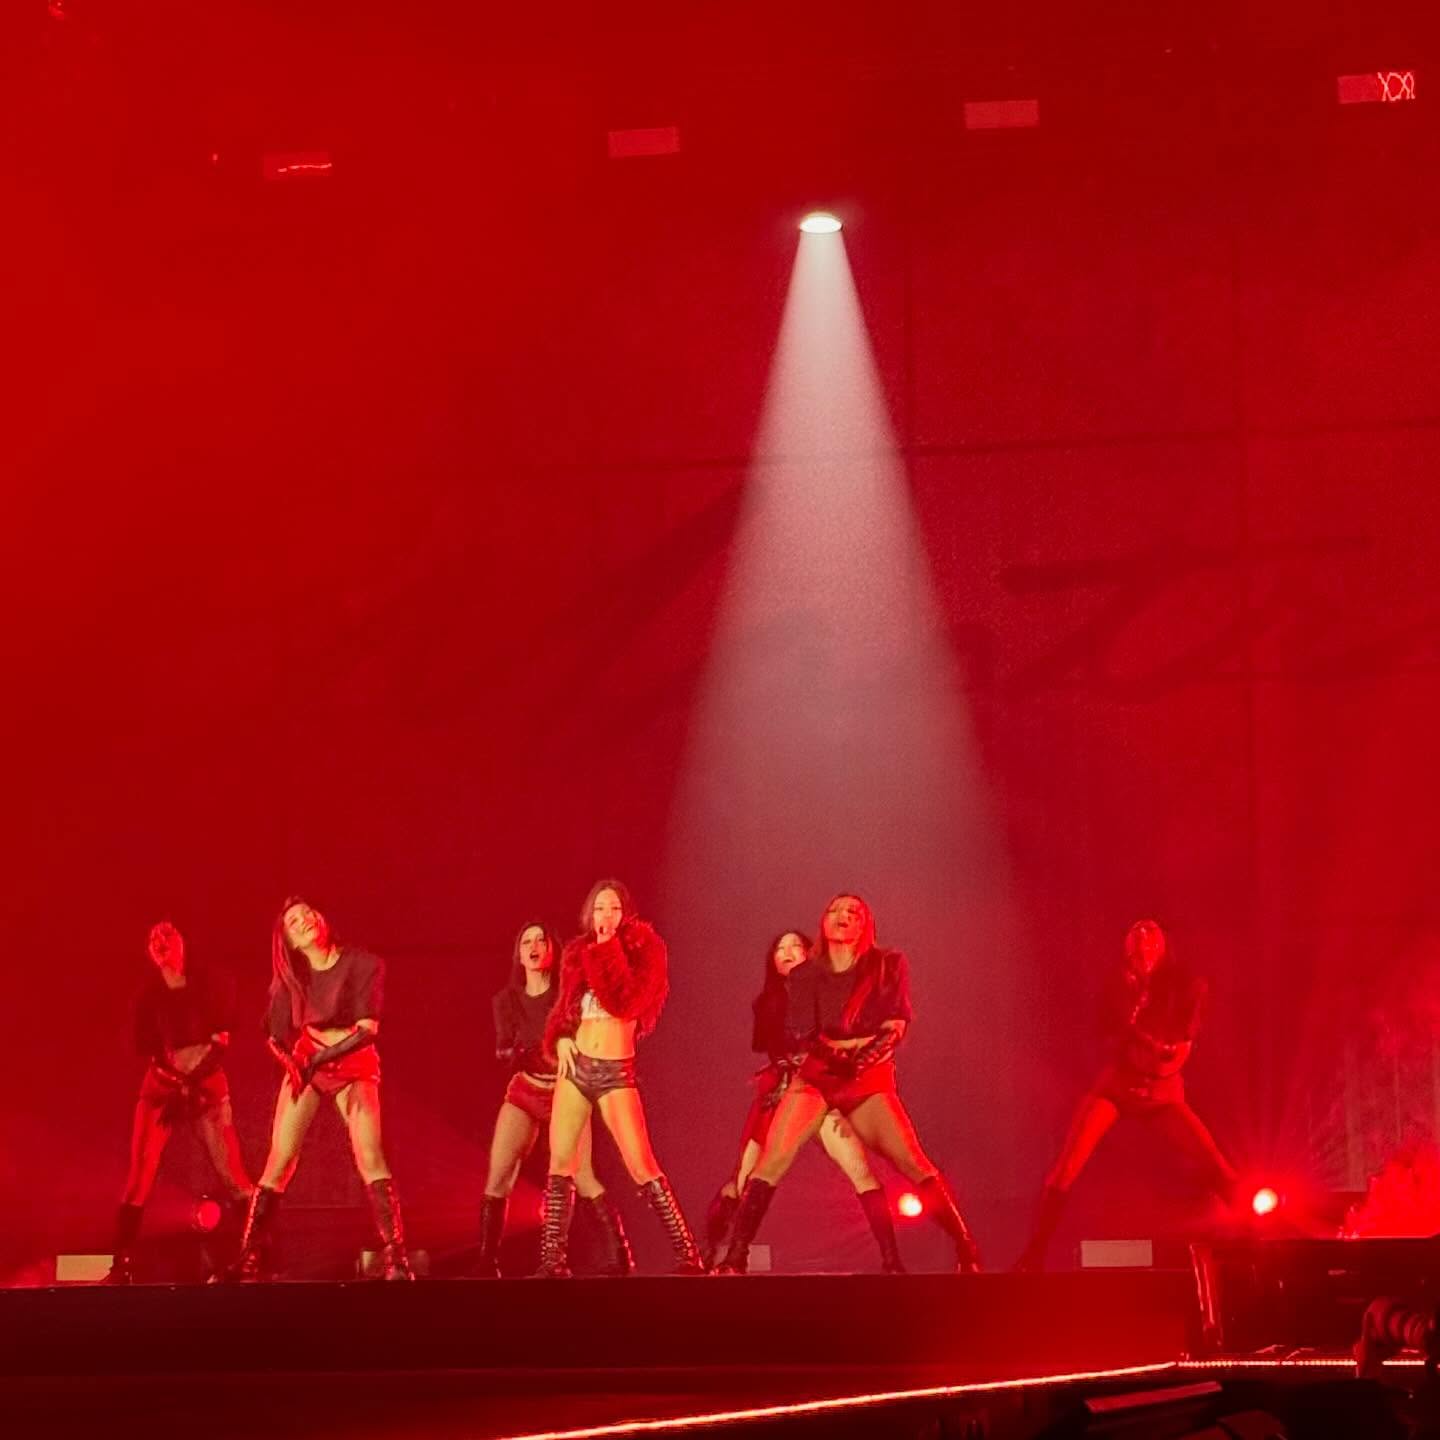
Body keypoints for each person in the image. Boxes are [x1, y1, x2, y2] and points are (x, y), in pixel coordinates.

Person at [714, 894, 981, 1274]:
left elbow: (895, 1026)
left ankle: (964, 1245)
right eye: (834, 910)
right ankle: (735, 1256)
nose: (842, 915)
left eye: (852, 911)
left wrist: (859, 1060)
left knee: (910, 1160)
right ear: (823, 923)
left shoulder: (887, 965)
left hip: (868, 1077)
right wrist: (835, 1058)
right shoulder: (806, 974)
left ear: (864, 924)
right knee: (771, 1160)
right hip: (819, 1075)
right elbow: (803, 1032)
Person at [1014, 918, 1237, 1272]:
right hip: (1118, 1085)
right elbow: (1103, 1037)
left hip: (1162, 1091)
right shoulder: (1116, 987)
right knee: (1066, 1167)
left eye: (1151, 940)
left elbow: (1182, 1044)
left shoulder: (1183, 987)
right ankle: (1034, 1253)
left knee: (1213, 1161)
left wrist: (1156, 1066)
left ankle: (1259, 1240)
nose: (1143, 946)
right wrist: (1131, 1039)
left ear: (1162, 948)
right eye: (1137, 941)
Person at [219, 898, 413, 1281]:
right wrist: (293, 1064)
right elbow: (273, 1035)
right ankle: (249, 1258)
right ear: (289, 941)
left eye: (308, 912)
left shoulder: (362, 964)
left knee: (369, 1155)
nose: (304, 919)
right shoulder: (292, 977)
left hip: (353, 1060)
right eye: (294, 921)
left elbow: (367, 1030)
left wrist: (316, 1061)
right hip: (308, 1058)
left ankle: (396, 1257)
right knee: (279, 1160)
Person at [702, 930, 904, 1272]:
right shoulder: (767, 1002)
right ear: (773, 961)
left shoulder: (831, 994)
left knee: (858, 1168)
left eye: (796, 945)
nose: (788, 951)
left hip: (822, 1088)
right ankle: (725, 1253)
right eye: (780, 948)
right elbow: (771, 1046)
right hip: (782, 1090)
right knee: (745, 1178)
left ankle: (891, 1259)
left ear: (811, 954)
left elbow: (848, 1042)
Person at [537, 879, 702, 1275]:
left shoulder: (645, 950)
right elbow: (565, 1010)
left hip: (614, 1072)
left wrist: (608, 947)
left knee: (640, 1164)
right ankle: (552, 1261)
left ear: (626, 913)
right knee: (561, 1162)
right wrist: (560, 1038)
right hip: (577, 1066)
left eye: (613, 908)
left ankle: (688, 1254)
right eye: (599, 908)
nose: (605, 915)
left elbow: (626, 1003)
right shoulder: (577, 953)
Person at [479, 921, 630, 1276]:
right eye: (526, 942)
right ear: (519, 955)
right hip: (526, 1088)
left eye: (540, 941)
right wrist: (513, 1051)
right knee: (498, 1177)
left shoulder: (567, 995)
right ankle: (486, 1263)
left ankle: (620, 1255)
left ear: (551, 950)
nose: (533, 947)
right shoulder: (506, 1000)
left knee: (583, 1175)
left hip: (567, 1091)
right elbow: (503, 1047)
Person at [104, 920, 252, 1283]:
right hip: (162, 1086)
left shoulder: (210, 983)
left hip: (206, 1083)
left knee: (232, 1173)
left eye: (167, 934)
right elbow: (149, 1049)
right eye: (153, 938)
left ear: (184, 940)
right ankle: (121, 1263)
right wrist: (175, 1082)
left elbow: (221, 1041)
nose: (160, 941)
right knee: (139, 1174)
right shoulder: (148, 996)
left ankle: (256, 1254)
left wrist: (193, 1081)